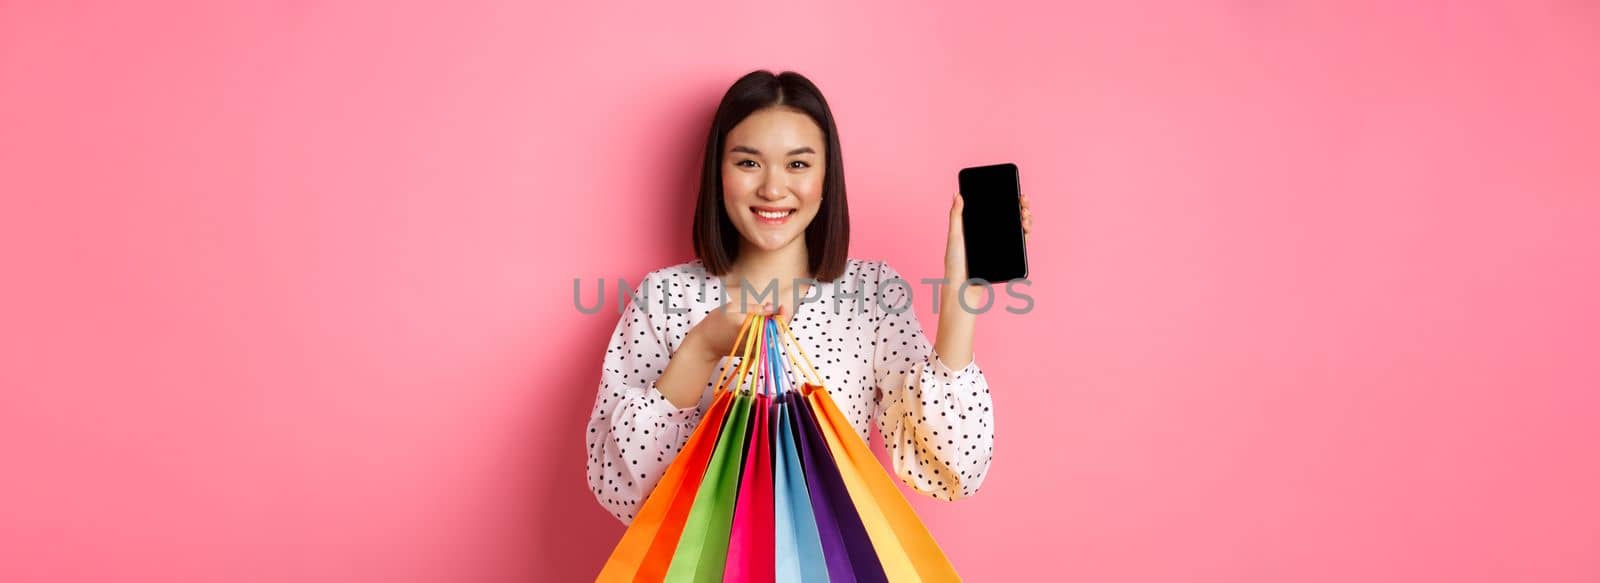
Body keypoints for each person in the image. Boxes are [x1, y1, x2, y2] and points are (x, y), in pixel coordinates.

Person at [585, 69, 1034, 524]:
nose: (773, 188)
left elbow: (953, 468)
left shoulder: (872, 295)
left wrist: (962, 293)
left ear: (826, 176)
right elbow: (621, 489)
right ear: (718, 172)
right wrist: (701, 350)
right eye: (748, 163)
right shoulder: (664, 296)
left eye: (798, 164)